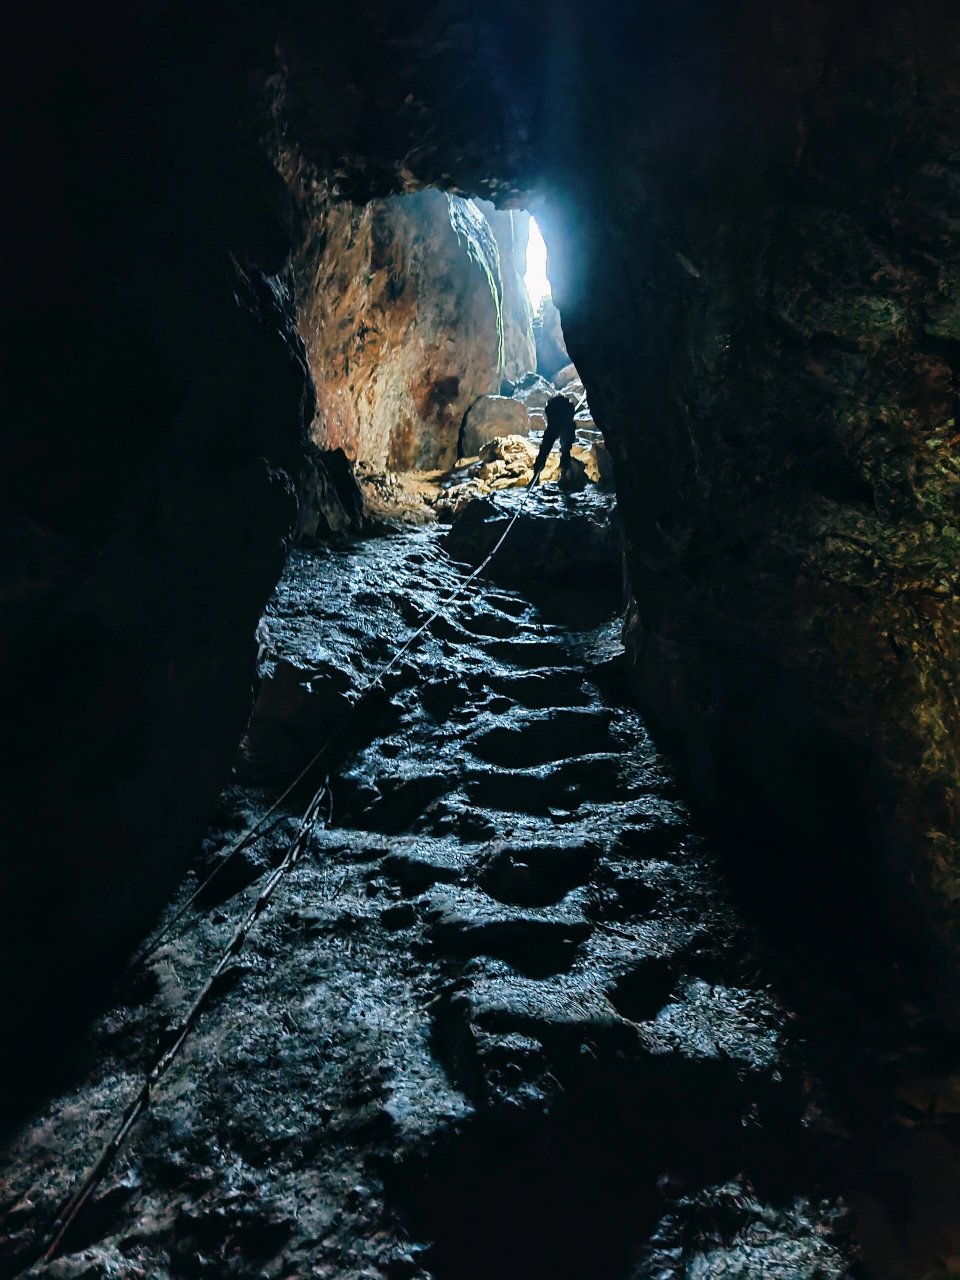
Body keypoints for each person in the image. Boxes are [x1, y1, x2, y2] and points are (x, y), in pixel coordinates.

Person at [532, 394, 577, 482]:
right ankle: (564, 475)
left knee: (545, 450)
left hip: (555, 426)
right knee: (565, 451)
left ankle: (536, 477)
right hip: (564, 426)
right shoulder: (567, 407)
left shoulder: (551, 408)